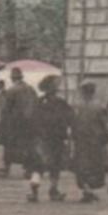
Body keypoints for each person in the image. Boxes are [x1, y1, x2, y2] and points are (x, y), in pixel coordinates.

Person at [29, 75, 72, 203]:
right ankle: (53, 190)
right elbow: (69, 119)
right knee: (55, 166)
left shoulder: (38, 102)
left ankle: (34, 191)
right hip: (56, 138)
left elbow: (32, 119)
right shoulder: (60, 103)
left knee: (38, 165)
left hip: (40, 138)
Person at [69, 80, 108, 203]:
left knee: (81, 166)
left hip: (80, 140)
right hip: (95, 141)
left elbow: (72, 124)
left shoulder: (75, 107)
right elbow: (105, 125)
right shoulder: (100, 107)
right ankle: (89, 189)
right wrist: (106, 138)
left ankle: (87, 189)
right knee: (94, 166)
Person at [0, 67, 38, 180]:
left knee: (10, 147)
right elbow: (36, 105)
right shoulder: (31, 89)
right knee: (28, 147)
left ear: (12, 78)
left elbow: (6, 109)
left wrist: (1, 123)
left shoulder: (11, 91)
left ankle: (6, 168)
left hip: (14, 124)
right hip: (30, 124)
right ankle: (28, 169)